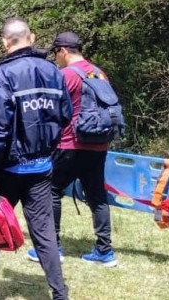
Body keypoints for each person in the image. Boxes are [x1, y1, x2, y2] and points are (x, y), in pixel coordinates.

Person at [0, 17, 72, 300]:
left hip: (9, 168)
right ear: (31, 38)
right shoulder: (54, 71)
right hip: (43, 165)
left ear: (5, 42)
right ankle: (60, 294)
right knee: (44, 233)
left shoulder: (2, 74)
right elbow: (66, 114)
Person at [26, 31, 118, 267]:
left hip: (71, 143)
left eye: (56, 53)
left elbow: (52, 110)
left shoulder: (66, 75)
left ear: (63, 51)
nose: (57, 58)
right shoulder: (99, 73)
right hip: (99, 144)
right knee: (97, 196)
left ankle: (52, 247)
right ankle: (104, 251)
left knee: (52, 191)